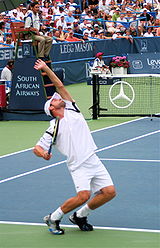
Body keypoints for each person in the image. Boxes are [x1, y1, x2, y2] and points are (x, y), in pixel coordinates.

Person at [33, 59, 116, 235]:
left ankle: (80, 215)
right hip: (78, 165)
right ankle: (53, 218)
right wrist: (43, 155)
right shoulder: (53, 127)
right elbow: (37, 148)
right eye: (55, 101)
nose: (58, 98)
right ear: (53, 109)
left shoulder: (72, 108)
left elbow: (59, 85)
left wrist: (46, 68)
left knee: (109, 192)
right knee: (83, 196)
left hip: (93, 159)